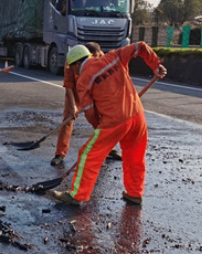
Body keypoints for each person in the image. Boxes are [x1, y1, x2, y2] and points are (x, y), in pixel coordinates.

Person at [52, 42, 167, 206]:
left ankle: (78, 195)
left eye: (73, 67)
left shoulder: (84, 79)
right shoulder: (113, 56)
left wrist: (98, 127)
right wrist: (156, 65)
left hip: (113, 122)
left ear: (78, 63)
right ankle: (135, 193)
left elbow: (89, 110)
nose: (73, 71)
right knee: (135, 156)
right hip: (137, 116)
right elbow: (139, 47)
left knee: (88, 154)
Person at [51, 42, 121, 167]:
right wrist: (73, 107)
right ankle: (60, 153)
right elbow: (68, 86)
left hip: (94, 91)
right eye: (92, 57)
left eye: (97, 56)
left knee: (101, 121)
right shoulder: (71, 62)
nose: (94, 59)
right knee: (67, 119)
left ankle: (108, 149)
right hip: (76, 92)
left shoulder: (102, 59)